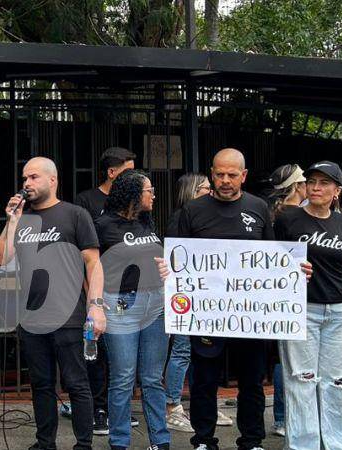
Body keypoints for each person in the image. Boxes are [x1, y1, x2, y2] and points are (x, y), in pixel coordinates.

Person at [0, 156, 105, 450]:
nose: (27, 183)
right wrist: (12, 222)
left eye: (33, 177)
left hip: (68, 315)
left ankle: (83, 444)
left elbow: (93, 263)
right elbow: (0, 258)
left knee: (77, 384)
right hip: (31, 317)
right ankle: (45, 443)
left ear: (52, 180)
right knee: (41, 385)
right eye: (24, 178)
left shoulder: (75, 215)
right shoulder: (22, 218)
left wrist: (96, 305)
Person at [167, 148, 274, 450]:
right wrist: (168, 269)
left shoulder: (259, 208)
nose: (225, 181)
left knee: (252, 382)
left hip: (251, 313)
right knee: (204, 382)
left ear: (244, 175)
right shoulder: (192, 211)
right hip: (206, 314)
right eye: (219, 174)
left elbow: (274, 258)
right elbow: (177, 259)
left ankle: (252, 440)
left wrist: (294, 271)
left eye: (232, 175)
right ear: (211, 173)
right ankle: (203, 440)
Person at [273, 161, 342, 450]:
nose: (317, 187)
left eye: (324, 182)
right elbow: (271, 261)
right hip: (301, 310)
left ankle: (338, 444)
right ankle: (303, 445)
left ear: (337, 190)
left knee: (340, 382)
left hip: (341, 311)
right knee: (301, 381)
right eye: (312, 181)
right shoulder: (288, 219)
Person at [96, 169, 169, 450]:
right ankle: (119, 442)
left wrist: (165, 269)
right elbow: (91, 270)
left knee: (152, 377)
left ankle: (160, 441)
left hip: (156, 303)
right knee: (124, 377)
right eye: (149, 190)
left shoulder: (146, 223)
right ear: (133, 194)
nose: (153, 195)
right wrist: (97, 307)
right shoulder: (102, 226)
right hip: (120, 305)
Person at [71, 147, 135, 433]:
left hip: (127, 293)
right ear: (112, 172)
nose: (133, 177)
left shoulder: (133, 202)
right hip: (98, 291)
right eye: (128, 170)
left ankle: (116, 408)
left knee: (121, 356)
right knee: (95, 353)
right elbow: (85, 252)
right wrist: (91, 296)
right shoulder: (87, 201)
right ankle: (97, 409)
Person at [164, 173, 210, 434]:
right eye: (205, 187)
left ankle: (197, 408)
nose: (211, 190)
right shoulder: (181, 218)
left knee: (197, 351)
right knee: (182, 349)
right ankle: (172, 406)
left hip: (200, 293)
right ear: (193, 191)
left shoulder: (199, 216)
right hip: (184, 294)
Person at [264, 163, 305, 436]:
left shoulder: (272, 214)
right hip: (297, 291)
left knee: (281, 356)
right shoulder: (298, 215)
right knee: (293, 357)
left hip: (277, 290)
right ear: (298, 186)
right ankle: (287, 417)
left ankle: (282, 417)